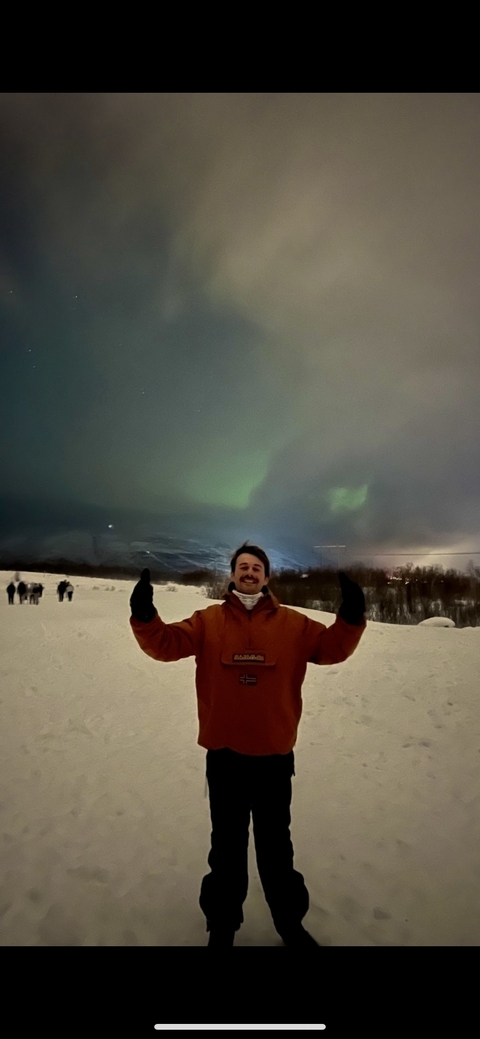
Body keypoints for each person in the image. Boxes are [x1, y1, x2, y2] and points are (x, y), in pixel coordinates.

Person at [129, 540, 367, 948]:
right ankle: (221, 927)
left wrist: (350, 616)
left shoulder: (294, 625)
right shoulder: (207, 621)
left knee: (277, 851)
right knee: (226, 850)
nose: (250, 572)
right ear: (233, 575)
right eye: (243, 566)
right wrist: (145, 615)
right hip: (225, 758)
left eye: (257, 567)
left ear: (267, 577)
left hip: (275, 759)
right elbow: (166, 644)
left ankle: (290, 924)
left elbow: (332, 648)